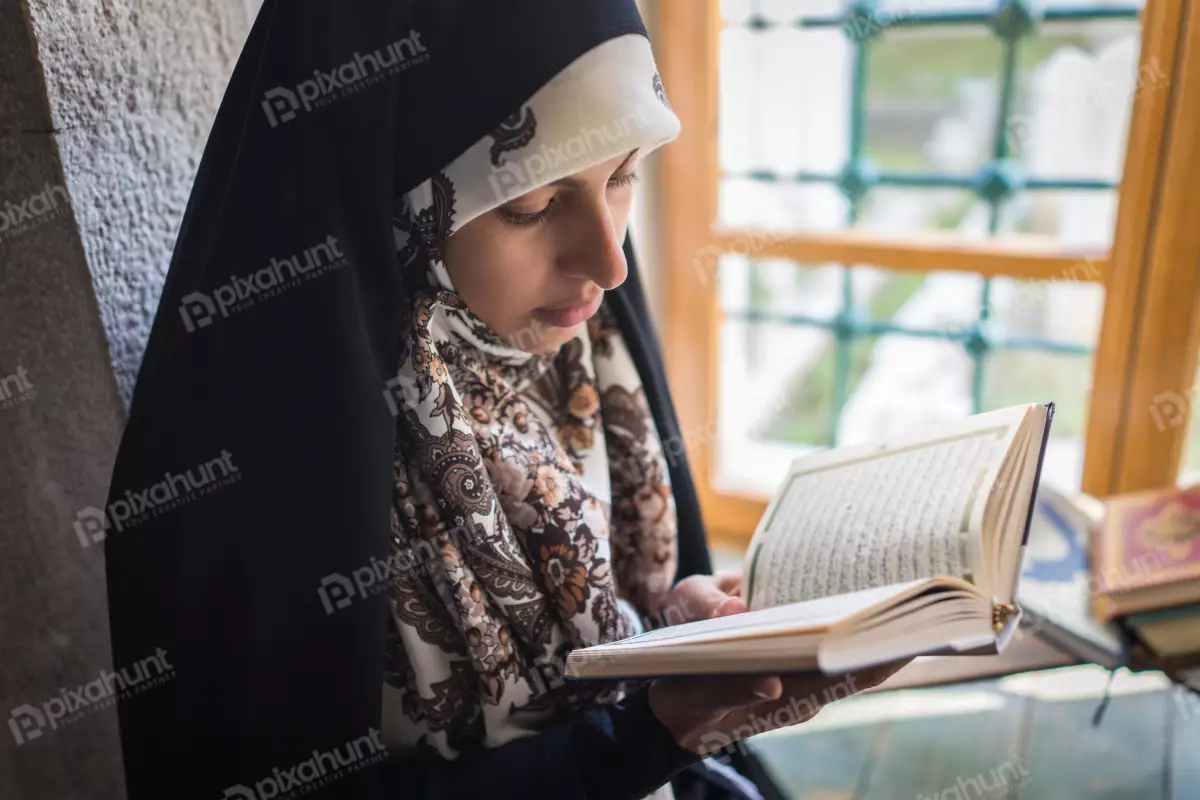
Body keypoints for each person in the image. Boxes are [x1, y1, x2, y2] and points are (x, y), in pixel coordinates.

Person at [102, 2, 908, 799]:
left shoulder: (583, 345)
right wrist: (648, 733)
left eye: (623, 175)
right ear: (401, 200)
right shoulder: (246, 469)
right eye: (532, 203)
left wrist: (675, 630)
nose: (609, 261)